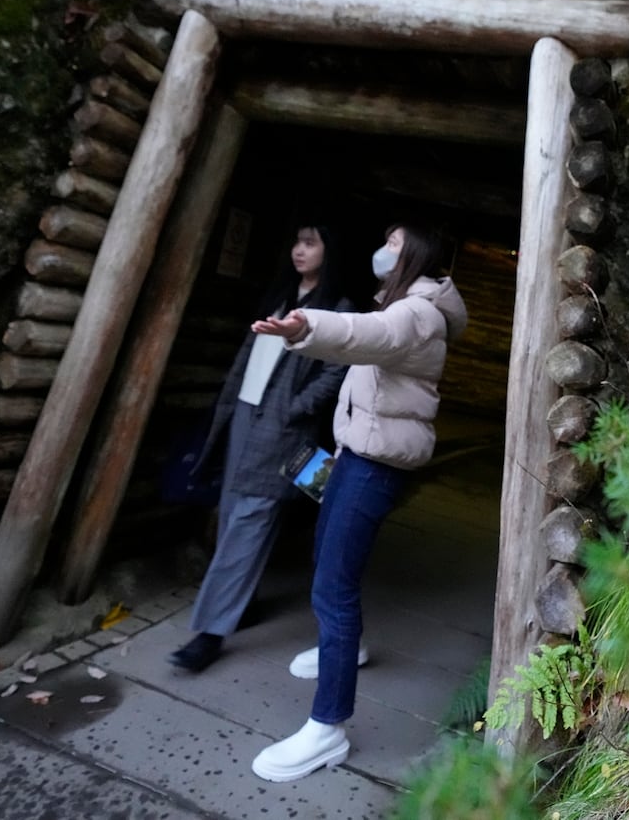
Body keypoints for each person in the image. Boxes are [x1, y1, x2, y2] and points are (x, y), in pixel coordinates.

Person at [246, 223, 467, 782]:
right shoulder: (410, 304)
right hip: (357, 458)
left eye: (394, 244)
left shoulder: (416, 313)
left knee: (333, 587)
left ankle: (327, 729)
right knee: (329, 562)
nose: (382, 250)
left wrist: (306, 325)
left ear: (416, 254)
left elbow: (368, 334)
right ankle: (348, 648)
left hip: (373, 467)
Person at [167, 225, 352, 674]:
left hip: (283, 430)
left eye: (311, 242)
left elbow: (336, 370)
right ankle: (240, 603)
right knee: (232, 515)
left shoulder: (338, 309)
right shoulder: (281, 295)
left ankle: (209, 634)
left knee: (250, 521)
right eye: (297, 240)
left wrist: (295, 408)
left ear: (331, 251)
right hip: (244, 420)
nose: (299, 250)